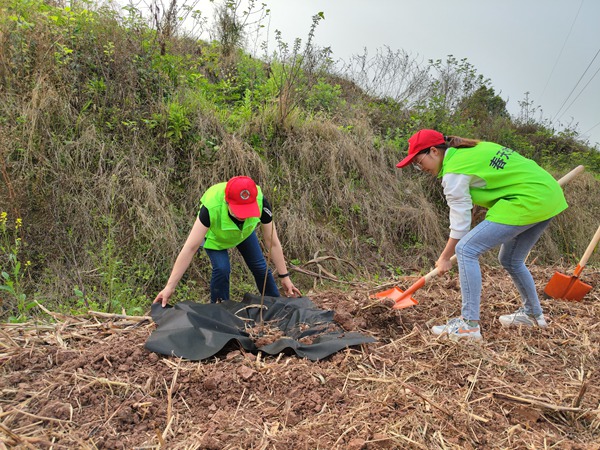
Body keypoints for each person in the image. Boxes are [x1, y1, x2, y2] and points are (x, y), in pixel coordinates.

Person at [396, 129, 567, 340]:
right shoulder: (472, 149)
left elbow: (460, 224)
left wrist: (444, 258)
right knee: (511, 259)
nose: (419, 167)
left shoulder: (455, 170)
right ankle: (533, 315)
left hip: (527, 199)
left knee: (466, 250)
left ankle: (469, 325)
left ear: (433, 151)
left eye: (418, 161)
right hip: (547, 195)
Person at [154, 176, 301, 307]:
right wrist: (169, 287)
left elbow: (272, 242)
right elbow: (190, 248)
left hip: (243, 234)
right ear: (227, 201)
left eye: (247, 210)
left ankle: (275, 305)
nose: (243, 216)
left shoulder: (261, 202)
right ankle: (221, 311)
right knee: (222, 269)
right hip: (216, 239)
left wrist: (285, 277)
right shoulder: (211, 207)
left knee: (261, 268)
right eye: (239, 211)